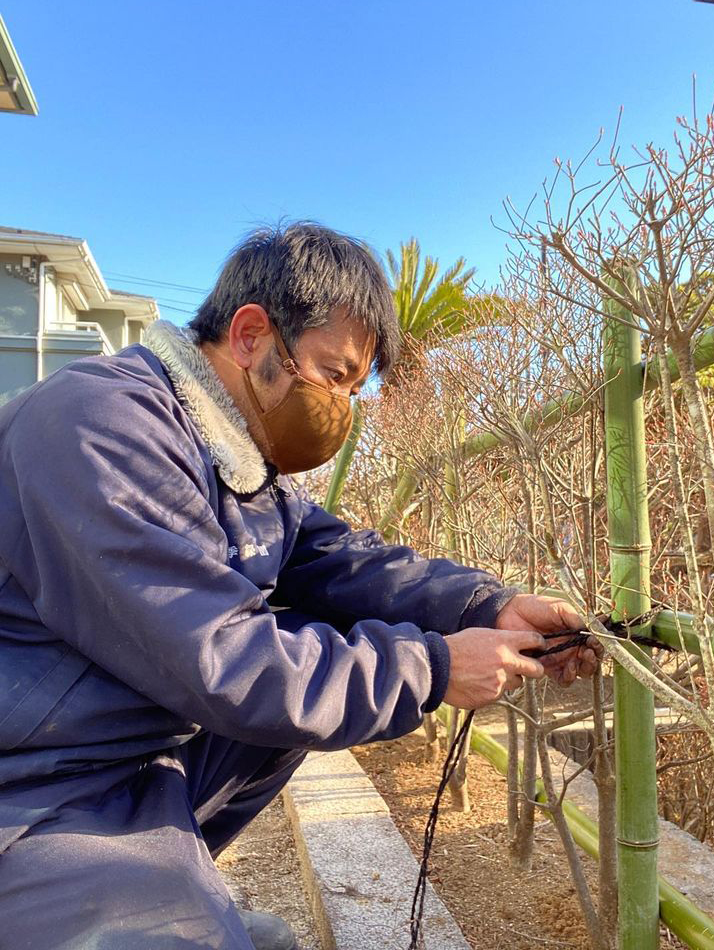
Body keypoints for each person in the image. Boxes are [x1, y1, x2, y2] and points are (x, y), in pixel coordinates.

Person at [0, 222, 596, 949]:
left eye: (354, 387)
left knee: (316, 667)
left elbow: (347, 563)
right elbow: (227, 659)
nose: (342, 407)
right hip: (32, 783)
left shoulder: (238, 465)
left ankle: (156, 880)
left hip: (116, 754)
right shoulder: (103, 424)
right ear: (251, 335)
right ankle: (125, 900)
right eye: (334, 373)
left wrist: (490, 605)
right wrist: (436, 668)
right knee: (185, 930)